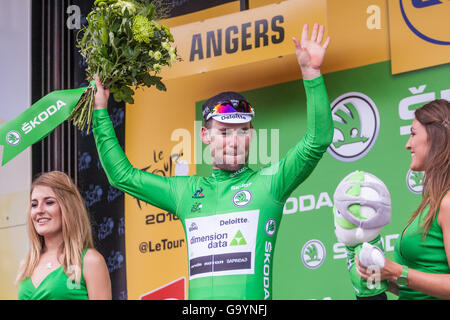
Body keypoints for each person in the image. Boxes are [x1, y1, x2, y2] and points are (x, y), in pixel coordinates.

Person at [92, 23, 332, 299]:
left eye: (242, 131)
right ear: (206, 136)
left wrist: (312, 74)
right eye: (224, 132)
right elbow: (122, 176)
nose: (233, 141)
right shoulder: (184, 193)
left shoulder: (270, 183)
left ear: (252, 135)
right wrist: (100, 111)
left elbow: (318, 140)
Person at [356, 99, 450, 299]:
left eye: (414, 133)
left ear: (436, 137)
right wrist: (384, 277)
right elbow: (418, 291)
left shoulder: (448, 202)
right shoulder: (433, 203)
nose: (408, 145)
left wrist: (397, 272)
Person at [16, 171, 111, 300]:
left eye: (49, 202)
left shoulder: (90, 261)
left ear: (68, 208)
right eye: (34, 204)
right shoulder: (26, 264)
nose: (39, 210)